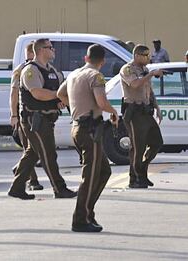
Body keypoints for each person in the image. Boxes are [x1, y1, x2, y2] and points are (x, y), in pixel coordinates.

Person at [58, 44, 119, 232]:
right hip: (89, 130)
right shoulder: (96, 76)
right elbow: (101, 101)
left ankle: (87, 211)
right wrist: (113, 111)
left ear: (86, 57)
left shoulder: (74, 74)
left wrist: (75, 109)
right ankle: (80, 219)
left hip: (79, 127)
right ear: (102, 61)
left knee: (103, 171)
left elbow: (60, 94)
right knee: (90, 176)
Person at [8, 38, 77, 200]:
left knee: (33, 153)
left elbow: (59, 92)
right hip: (34, 119)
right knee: (48, 154)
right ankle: (59, 189)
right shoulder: (30, 70)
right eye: (50, 47)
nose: (53, 50)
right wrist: (57, 96)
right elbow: (37, 93)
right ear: (40, 50)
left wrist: (59, 101)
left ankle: (17, 188)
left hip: (48, 118)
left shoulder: (52, 70)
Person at [120, 45, 164, 188]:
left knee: (157, 142)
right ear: (137, 55)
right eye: (145, 55)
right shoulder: (127, 69)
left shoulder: (144, 70)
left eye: (148, 54)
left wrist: (157, 107)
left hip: (146, 112)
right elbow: (134, 85)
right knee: (138, 148)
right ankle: (135, 179)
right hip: (134, 113)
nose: (148, 57)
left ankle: (142, 170)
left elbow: (148, 90)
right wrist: (151, 74)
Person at [9, 42, 43, 191]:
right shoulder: (21, 70)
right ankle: (32, 180)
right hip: (25, 114)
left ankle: (19, 169)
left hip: (39, 114)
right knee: (30, 148)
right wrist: (14, 115)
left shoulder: (41, 68)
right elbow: (14, 94)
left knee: (34, 148)